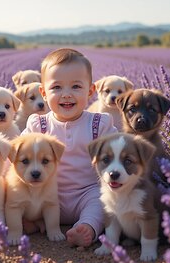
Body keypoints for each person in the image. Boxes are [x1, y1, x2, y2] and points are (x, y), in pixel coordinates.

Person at [21, 48, 118, 247]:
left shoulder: (100, 124)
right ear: (43, 93)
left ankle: (86, 227)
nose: (66, 95)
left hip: (87, 191)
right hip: (46, 193)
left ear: (90, 91)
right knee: (20, 195)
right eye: (56, 87)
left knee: (101, 203)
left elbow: (117, 154)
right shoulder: (37, 125)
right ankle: (31, 221)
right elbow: (16, 156)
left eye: (76, 86)